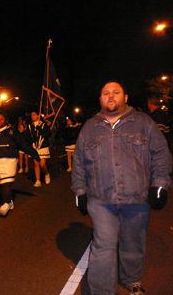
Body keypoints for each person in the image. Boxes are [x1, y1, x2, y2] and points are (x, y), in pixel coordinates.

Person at [71, 81, 172, 295]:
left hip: (137, 199)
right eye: (105, 92)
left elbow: (161, 153)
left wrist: (160, 184)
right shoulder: (89, 128)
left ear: (125, 98)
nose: (110, 96)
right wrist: (79, 191)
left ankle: (131, 279)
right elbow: (79, 162)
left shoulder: (144, 122)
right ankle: (102, 291)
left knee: (133, 244)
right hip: (100, 200)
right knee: (104, 246)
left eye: (116, 92)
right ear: (100, 99)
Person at [0, 112, 41, 216]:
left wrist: (34, 154)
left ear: (6, 120)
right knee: (3, 183)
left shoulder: (12, 132)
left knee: (7, 183)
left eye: (2, 119)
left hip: (10, 160)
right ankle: (9, 201)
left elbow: (23, 144)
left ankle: (5, 204)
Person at [25, 111, 51, 187]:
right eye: (31, 115)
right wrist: (32, 139)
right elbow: (27, 136)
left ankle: (46, 174)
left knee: (42, 164)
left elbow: (48, 134)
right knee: (36, 164)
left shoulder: (43, 125)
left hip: (43, 146)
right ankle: (38, 180)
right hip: (34, 147)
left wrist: (41, 130)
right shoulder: (29, 126)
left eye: (34, 115)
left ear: (38, 116)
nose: (32, 117)